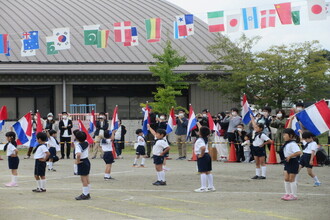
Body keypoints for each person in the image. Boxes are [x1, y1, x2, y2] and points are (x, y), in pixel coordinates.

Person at [281, 128, 301, 201]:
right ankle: (288, 193)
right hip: (287, 161)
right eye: (283, 135)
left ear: (291, 135)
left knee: (291, 179)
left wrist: (290, 156)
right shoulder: (287, 143)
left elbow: (299, 152)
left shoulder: (293, 144)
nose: (284, 136)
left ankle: (294, 195)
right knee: (286, 178)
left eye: (285, 135)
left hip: (293, 161)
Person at [194, 126, 216, 193]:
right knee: (208, 171)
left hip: (203, 156)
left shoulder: (200, 140)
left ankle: (203, 187)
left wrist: (201, 154)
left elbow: (203, 148)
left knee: (202, 172)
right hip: (207, 155)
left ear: (200, 133)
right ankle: (211, 186)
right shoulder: (205, 138)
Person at [74, 131, 91, 200]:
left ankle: (85, 194)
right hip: (86, 160)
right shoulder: (86, 142)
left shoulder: (78, 145)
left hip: (82, 161)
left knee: (83, 179)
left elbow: (78, 154)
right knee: (87, 178)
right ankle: (87, 192)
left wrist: (77, 161)